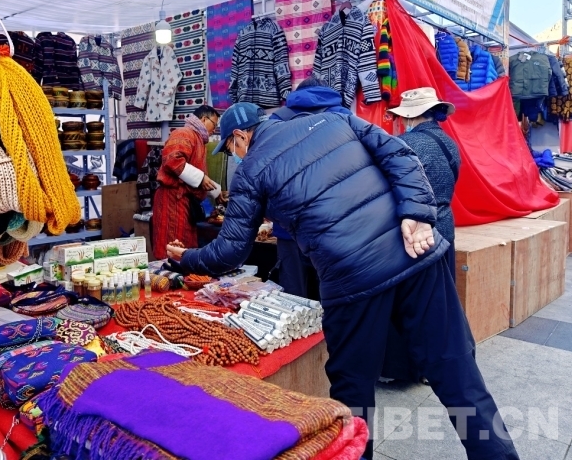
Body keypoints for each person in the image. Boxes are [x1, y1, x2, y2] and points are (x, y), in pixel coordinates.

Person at [167, 102, 518, 460]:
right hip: (415, 254)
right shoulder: (334, 120)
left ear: (241, 136)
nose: (235, 155)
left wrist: (185, 258)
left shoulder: (251, 169)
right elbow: (401, 155)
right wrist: (417, 212)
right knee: (455, 369)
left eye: (230, 148)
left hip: (352, 279)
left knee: (354, 390)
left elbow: (230, 251)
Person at [380, 87, 462, 383]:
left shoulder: (403, 143)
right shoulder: (449, 143)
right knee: (440, 304)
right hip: (445, 227)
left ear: (410, 116)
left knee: (411, 304)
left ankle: (404, 368)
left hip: (415, 232)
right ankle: (435, 369)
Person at [269, 76, 350, 299]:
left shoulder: (277, 120)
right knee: (331, 290)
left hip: (288, 223)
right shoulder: (346, 118)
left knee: (293, 294)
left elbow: (266, 169)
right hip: (331, 223)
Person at [151, 105, 220, 260]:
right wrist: (201, 178)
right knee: (171, 249)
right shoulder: (184, 133)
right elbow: (172, 160)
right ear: (204, 119)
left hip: (185, 203)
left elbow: (196, 177)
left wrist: (216, 191)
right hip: (172, 201)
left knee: (184, 249)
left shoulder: (198, 140)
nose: (215, 130)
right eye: (214, 124)